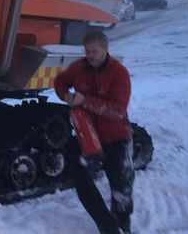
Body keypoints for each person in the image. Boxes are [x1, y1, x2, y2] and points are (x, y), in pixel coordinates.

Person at [54, 31, 134, 234]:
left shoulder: (119, 73)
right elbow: (60, 81)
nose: (90, 55)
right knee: (80, 178)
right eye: (87, 51)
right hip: (89, 138)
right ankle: (108, 227)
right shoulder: (79, 68)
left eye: (94, 51)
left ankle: (123, 225)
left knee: (121, 189)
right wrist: (65, 94)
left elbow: (117, 109)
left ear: (105, 49)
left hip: (116, 137)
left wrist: (85, 101)